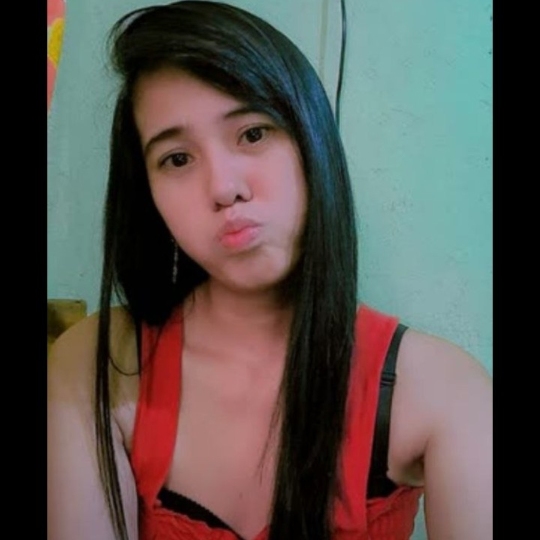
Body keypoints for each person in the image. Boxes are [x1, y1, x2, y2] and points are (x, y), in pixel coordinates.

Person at [47, 2, 493, 540]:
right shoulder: (97, 364)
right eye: (177, 159)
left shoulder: (443, 391)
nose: (224, 188)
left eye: (254, 134)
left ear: (312, 140)